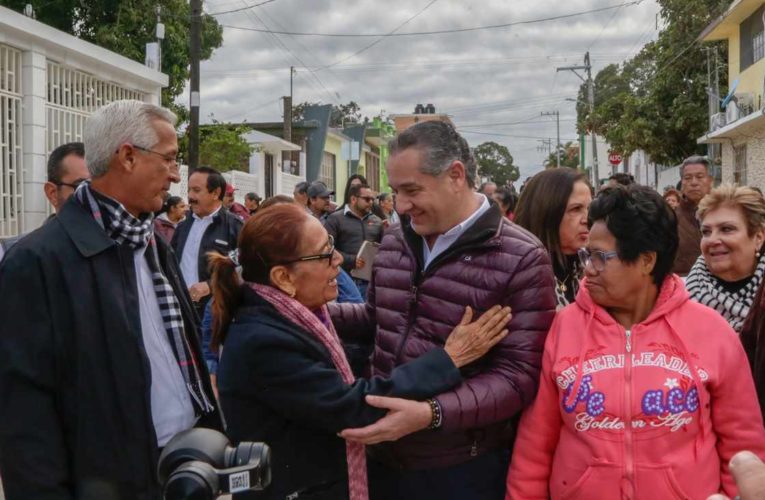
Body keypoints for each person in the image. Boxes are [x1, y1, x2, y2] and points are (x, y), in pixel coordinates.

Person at [211, 203, 512, 500]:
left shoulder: (288, 315)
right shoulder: (263, 342)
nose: (339, 260)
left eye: (332, 245)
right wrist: (448, 359)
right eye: (325, 254)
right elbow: (352, 405)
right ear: (283, 278)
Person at [0, 100, 221, 499]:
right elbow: (23, 417)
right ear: (128, 157)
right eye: (169, 159)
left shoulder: (152, 240)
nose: (175, 175)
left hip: (180, 469)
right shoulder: (37, 262)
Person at [330, 121, 557, 500]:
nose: (401, 205)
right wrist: (302, 314)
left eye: (412, 190)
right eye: (395, 191)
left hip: (459, 467)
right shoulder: (398, 238)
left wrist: (432, 414)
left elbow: (517, 377)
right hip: (381, 453)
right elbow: (378, 319)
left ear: (455, 175)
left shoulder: (521, 257)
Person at [507, 184, 765, 499]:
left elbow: (743, 446)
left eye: (601, 257)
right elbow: (534, 449)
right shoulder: (564, 328)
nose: (588, 269)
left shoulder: (712, 331)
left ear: (646, 261)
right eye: (588, 254)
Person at [686, 184, 765, 333]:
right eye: (706, 232)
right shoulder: (682, 298)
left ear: (758, 237)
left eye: (727, 229)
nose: (712, 240)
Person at [515, 168, 592, 309]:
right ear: (546, 214)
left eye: (590, 208)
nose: (587, 219)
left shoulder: (591, 270)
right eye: (576, 209)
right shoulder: (521, 276)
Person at [0, 141, 89, 260]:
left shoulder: (116, 249)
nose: (92, 197)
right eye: (81, 187)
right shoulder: (17, 255)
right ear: (52, 193)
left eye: (100, 188)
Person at [172, 166, 243, 315]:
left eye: (196, 190)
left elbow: (247, 270)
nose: (190, 196)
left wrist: (211, 286)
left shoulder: (235, 227)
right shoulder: (183, 226)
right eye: (189, 190)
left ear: (216, 193)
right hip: (182, 309)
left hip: (216, 313)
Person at [324, 183, 384, 298]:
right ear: (353, 199)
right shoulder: (335, 219)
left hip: (371, 281)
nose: (371, 202)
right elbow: (326, 248)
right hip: (345, 280)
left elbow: (385, 249)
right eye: (367, 199)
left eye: (372, 199)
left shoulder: (377, 221)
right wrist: (351, 260)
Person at [673, 155, 713, 276]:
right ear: (682, 182)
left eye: (700, 177)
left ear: (710, 180)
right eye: (688, 178)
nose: (694, 183)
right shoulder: (671, 219)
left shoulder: (726, 214)